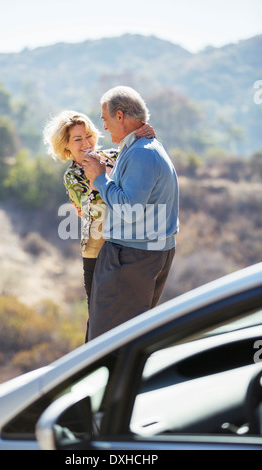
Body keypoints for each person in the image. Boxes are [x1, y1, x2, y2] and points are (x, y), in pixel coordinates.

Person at [43, 110, 155, 340]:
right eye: (77, 139)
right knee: (98, 316)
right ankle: (92, 365)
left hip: (127, 246)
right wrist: (115, 185)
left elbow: (138, 172)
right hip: (96, 251)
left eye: (88, 136)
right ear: (66, 147)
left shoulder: (115, 154)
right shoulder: (72, 176)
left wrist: (146, 134)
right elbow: (102, 207)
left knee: (129, 313)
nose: (86, 143)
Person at [83, 86, 179, 340]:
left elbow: (130, 208)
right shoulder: (141, 145)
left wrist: (100, 180)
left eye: (105, 120)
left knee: (106, 339)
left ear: (120, 116)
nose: (104, 128)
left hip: (131, 256)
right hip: (145, 253)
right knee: (129, 334)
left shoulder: (142, 154)